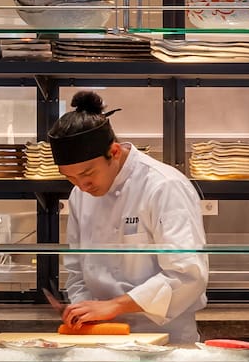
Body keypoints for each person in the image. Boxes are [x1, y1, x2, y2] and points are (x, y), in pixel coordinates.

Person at [49, 91, 210, 344]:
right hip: (99, 336)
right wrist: (83, 311)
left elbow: (188, 274)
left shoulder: (163, 186)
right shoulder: (79, 194)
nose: (82, 186)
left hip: (164, 338)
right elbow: (76, 269)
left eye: (87, 174)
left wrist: (114, 306)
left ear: (113, 152)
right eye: (70, 178)